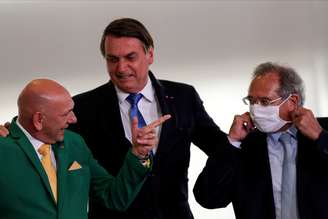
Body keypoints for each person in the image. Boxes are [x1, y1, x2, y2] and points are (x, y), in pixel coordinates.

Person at [67, 18, 231, 219]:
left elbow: (218, 147)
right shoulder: (83, 107)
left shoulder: (183, 97)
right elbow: (69, 171)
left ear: (150, 54)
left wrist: (239, 138)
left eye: (130, 57)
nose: (121, 68)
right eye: (112, 59)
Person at [0, 79, 170, 219]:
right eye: (65, 114)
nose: (73, 119)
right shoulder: (4, 148)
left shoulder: (75, 143)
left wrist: (139, 155)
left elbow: (113, 197)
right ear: (38, 120)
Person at [193, 62, 328, 219]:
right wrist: (232, 142)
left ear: (292, 101)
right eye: (251, 100)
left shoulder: (322, 131)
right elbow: (208, 198)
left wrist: (320, 136)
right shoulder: (244, 145)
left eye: (264, 102)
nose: (255, 109)